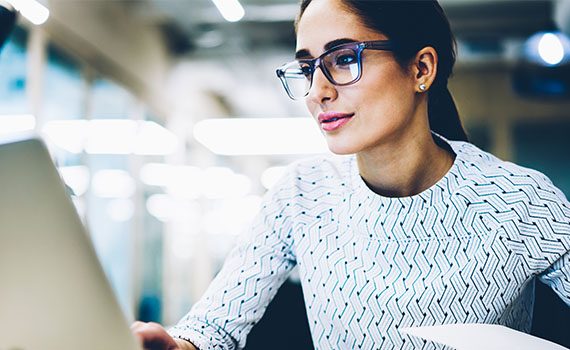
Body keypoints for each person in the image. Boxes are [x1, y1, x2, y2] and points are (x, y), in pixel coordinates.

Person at [132, 0, 570, 349]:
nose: (317, 91)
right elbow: (212, 328)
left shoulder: (521, 201)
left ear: (421, 69)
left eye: (343, 58)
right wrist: (179, 346)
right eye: (307, 67)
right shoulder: (301, 195)